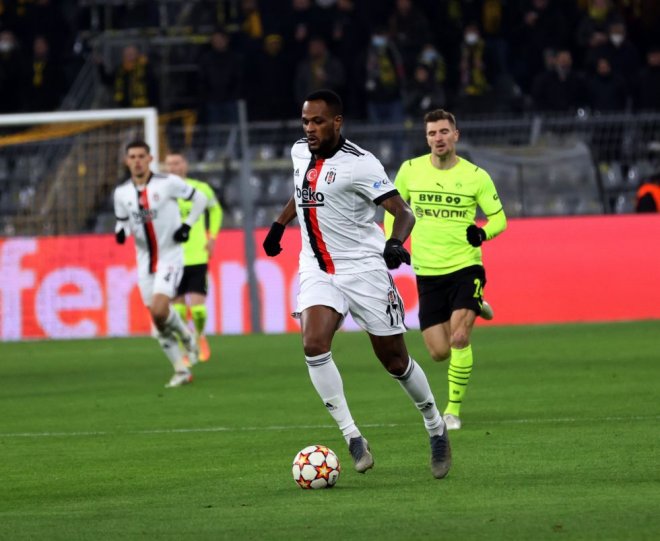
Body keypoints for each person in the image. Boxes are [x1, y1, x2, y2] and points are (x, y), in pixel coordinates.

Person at [262, 89, 451, 479]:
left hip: (363, 269)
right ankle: (352, 437)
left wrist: (395, 242)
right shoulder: (299, 152)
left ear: (337, 122)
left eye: (317, 121)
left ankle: (435, 425)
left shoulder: (361, 164)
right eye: (305, 121)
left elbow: (403, 211)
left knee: (395, 361)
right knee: (313, 344)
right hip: (317, 268)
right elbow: (302, 192)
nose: (309, 128)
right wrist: (280, 225)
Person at [385, 109, 507, 430]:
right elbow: (393, 209)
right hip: (428, 272)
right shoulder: (410, 170)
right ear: (426, 138)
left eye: (443, 131)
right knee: (439, 352)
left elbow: (499, 219)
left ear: (456, 135)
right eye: (432, 133)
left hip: (466, 266)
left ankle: (452, 411)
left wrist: (482, 234)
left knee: (459, 337)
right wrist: (392, 242)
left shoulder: (476, 176)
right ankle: (476, 305)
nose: (438, 138)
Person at [114, 141, 208, 388]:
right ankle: (181, 369)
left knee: (158, 310)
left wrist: (186, 226)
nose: (137, 161)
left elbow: (200, 198)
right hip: (144, 261)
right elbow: (122, 222)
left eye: (141, 156)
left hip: (170, 257)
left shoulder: (167, 183)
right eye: (132, 156)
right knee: (158, 320)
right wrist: (121, 232)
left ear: (150, 159)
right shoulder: (121, 193)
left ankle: (187, 338)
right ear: (126, 161)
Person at [164, 151, 223, 363]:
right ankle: (184, 344)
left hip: (197, 255)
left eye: (177, 163)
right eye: (170, 164)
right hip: (172, 257)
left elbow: (215, 210)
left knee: (198, 310)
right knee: (178, 309)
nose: (174, 167)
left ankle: (199, 335)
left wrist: (212, 237)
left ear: (185, 165)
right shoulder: (161, 192)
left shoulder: (200, 188)